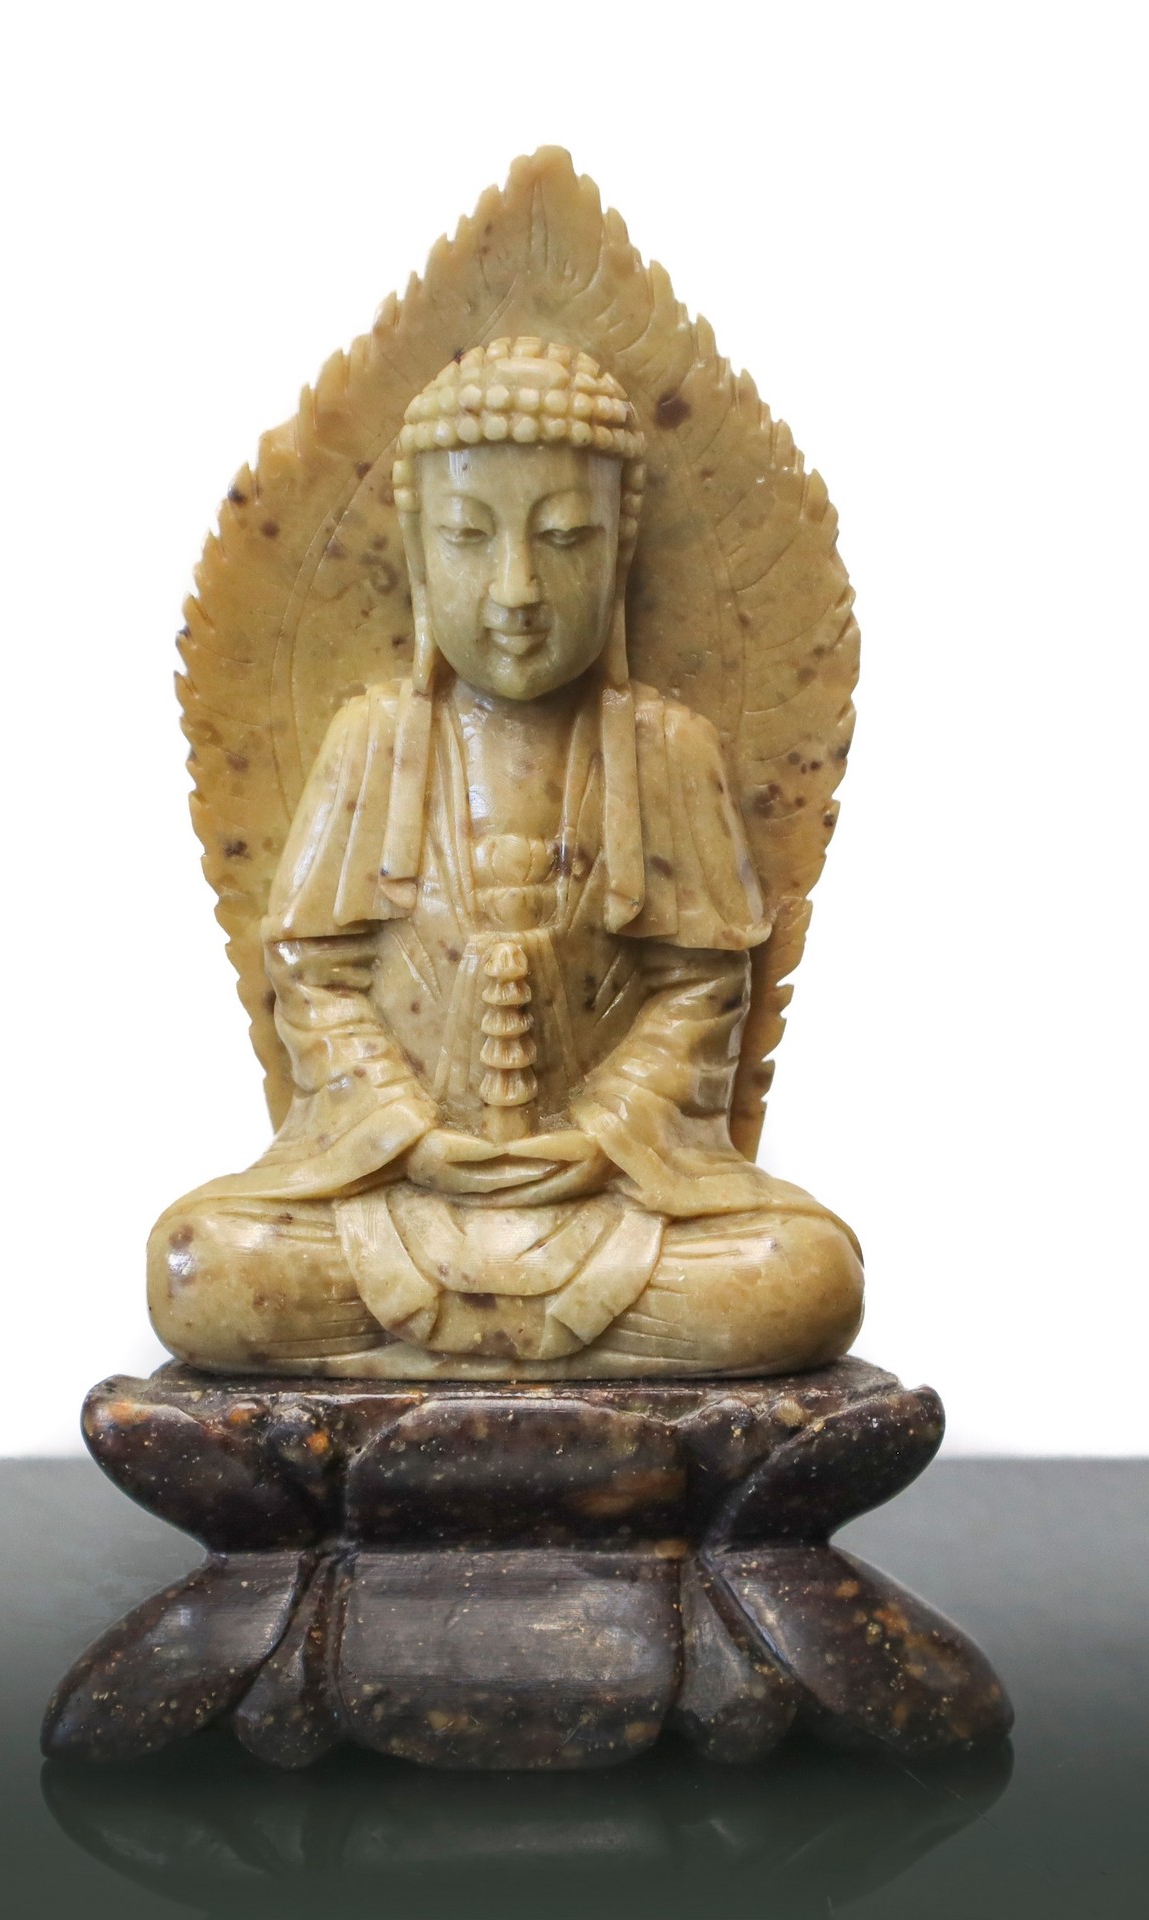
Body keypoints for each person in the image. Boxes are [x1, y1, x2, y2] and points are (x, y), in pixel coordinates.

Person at [149, 339, 862, 1378]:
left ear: (619, 553)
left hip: (608, 1201)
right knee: (203, 1266)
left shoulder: (668, 749)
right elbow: (313, 978)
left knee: (801, 1279)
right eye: (469, 537)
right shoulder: (371, 742)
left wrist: (603, 1139)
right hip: (397, 1199)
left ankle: (435, 1365)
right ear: (417, 553)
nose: (517, 588)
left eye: (565, 538)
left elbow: (702, 992)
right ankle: (522, 1364)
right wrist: (408, 1136)